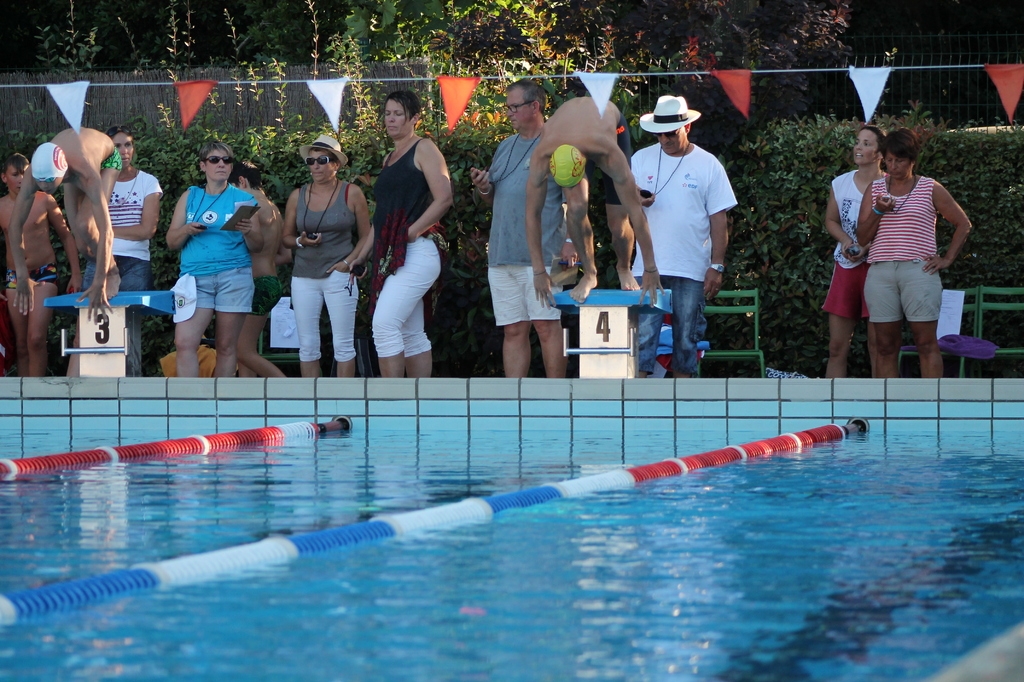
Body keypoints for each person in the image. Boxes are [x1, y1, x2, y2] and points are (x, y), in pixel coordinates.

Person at [470, 79, 573, 378]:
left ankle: (557, 397)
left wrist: (572, 242)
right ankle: (515, 399)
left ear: (535, 106)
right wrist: (484, 187)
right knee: (513, 330)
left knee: (548, 325)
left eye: (514, 107)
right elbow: (495, 199)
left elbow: (576, 201)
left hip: (550, 255)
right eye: (507, 107)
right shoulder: (505, 145)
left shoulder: (560, 145)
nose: (508, 113)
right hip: (502, 253)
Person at [632, 95, 737, 379]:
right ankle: (636, 403)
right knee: (642, 339)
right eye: (659, 134)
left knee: (686, 341)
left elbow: (719, 219)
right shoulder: (640, 158)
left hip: (691, 268)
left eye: (670, 133)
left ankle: (682, 402)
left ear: (686, 128)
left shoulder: (708, 164)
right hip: (647, 267)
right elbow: (624, 199)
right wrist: (636, 198)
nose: (664, 139)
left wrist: (716, 266)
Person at [856, 127, 972, 379]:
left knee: (926, 342)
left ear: (912, 160)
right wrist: (878, 211)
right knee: (884, 346)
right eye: (888, 160)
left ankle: (932, 401)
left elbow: (963, 224)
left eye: (899, 160)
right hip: (881, 271)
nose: (893, 166)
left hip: (918, 270)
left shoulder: (930, 187)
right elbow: (862, 238)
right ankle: (891, 402)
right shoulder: (875, 189)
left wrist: (947, 259)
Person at [525, 97, 661, 304]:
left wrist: (650, 268)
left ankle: (623, 268)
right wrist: (538, 271)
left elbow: (636, 212)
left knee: (618, 221)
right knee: (575, 208)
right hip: (571, 133)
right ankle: (590, 274)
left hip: (608, 128)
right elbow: (532, 214)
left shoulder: (608, 152)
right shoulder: (542, 154)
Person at [370, 90, 452, 378]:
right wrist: (355, 257)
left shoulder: (424, 147)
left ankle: (392, 399)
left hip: (418, 249)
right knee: (410, 332)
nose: (391, 119)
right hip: (395, 251)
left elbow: (444, 198)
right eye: (387, 113)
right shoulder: (389, 158)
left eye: (398, 114)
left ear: (415, 118)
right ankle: (419, 400)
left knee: (384, 325)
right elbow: (380, 218)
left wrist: (413, 231)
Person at [167, 142, 264, 378]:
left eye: (226, 160)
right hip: (195, 278)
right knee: (184, 342)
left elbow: (258, 245)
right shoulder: (190, 195)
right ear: (203, 165)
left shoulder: (244, 199)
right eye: (214, 160)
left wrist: (248, 231)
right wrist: (187, 229)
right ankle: (190, 400)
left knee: (226, 346)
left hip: (234, 275)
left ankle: (222, 400)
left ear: (231, 167)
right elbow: (171, 241)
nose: (221, 164)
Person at [7, 128, 120, 320]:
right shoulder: (33, 174)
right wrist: (22, 275)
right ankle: (106, 267)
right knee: (81, 245)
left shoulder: (86, 174)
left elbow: (106, 231)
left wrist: (99, 281)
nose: (44, 187)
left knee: (85, 225)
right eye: (40, 182)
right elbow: (15, 226)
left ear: (64, 171)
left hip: (106, 160)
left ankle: (113, 272)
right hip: (71, 159)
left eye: (50, 182)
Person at [283, 135, 373, 378]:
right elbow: (286, 238)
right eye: (310, 161)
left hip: (339, 273)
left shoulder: (352, 193)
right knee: (307, 346)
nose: (315, 166)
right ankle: (312, 399)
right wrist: (301, 241)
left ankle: (342, 399)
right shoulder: (298, 195)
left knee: (343, 345)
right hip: (303, 275)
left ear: (336, 164)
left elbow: (366, 236)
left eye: (322, 160)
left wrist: (347, 263)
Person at [0, 153, 82, 376]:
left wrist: (76, 273)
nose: (21, 179)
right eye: (15, 175)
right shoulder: (1, 207)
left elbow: (66, 236)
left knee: (35, 339)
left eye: (25, 174)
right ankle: (24, 394)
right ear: (4, 178)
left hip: (44, 272)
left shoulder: (44, 200)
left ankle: (37, 392)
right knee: (21, 345)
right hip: (15, 276)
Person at [822, 126, 886, 378]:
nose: (858, 147)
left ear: (880, 153)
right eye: (857, 142)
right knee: (837, 347)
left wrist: (866, 247)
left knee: (878, 347)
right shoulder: (840, 183)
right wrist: (847, 242)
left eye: (867, 144)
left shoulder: (890, 185)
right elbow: (830, 220)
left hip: (878, 269)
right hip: (845, 268)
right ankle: (832, 400)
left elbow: (892, 229)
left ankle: (882, 400)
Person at [231, 161, 292, 378]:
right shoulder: (274, 209)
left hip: (255, 284)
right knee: (246, 351)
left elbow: (231, 246)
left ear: (241, 181)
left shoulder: (247, 205)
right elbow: (286, 256)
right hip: (270, 282)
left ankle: (292, 390)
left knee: (241, 351)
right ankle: (250, 397)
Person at [84, 126, 161, 292]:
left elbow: (147, 230)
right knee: (92, 308)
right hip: (100, 258)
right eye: (117, 146)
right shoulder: (96, 181)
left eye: (128, 145)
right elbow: (88, 225)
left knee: (131, 308)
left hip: (136, 260)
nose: (124, 151)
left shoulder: (148, 182)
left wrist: (105, 231)